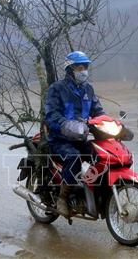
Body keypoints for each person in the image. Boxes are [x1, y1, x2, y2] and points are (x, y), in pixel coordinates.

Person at [45, 51, 105, 218]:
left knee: (103, 155)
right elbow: (52, 116)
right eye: (80, 67)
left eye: (86, 67)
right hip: (60, 139)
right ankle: (62, 198)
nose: (84, 70)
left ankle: (91, 191)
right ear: (70, 69)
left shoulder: (88, 89)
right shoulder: (56, 89)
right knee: (74, 157)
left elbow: (98, 111)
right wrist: (67, 125)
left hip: (82, 137)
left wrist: (109, 124)